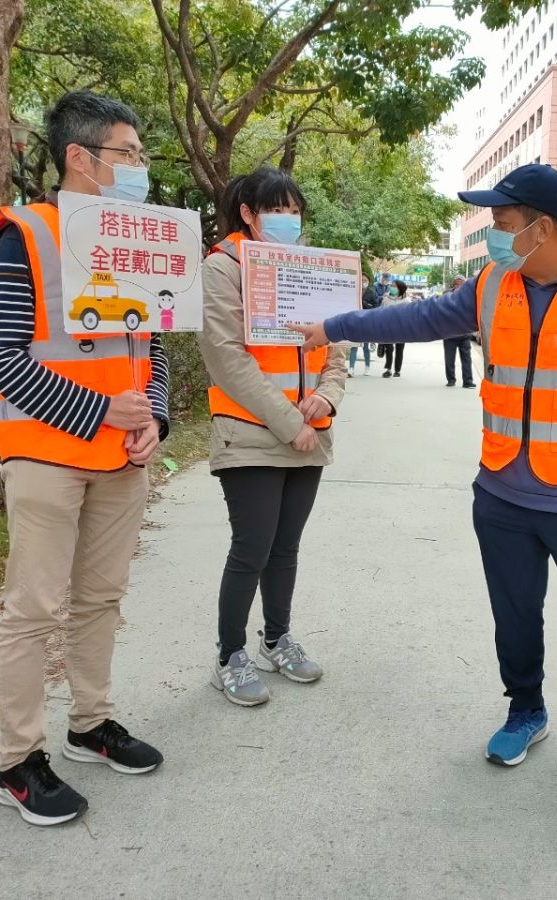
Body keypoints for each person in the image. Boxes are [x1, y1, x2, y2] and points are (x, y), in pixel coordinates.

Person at [290, 163, 557, 771]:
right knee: (514, 616)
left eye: (504, 223)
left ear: (542, 229)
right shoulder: (491, 284)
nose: (495, 235)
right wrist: (334, 327)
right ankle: (526, 710)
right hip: (504, 494)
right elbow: (415, 319)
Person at [0, 91, 169, 827]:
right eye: (129, 154)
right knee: (33, 610)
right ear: (80, 158)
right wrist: (95, 411)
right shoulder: (27, 234)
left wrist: (156, 419)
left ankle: (90, 725)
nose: (140, 167)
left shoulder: (135, 242)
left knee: (100, 599)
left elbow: (150, 347)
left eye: (141, 154)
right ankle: (16, 761)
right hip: (47, 455)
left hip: (123, 458)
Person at [197, 165, 346, 708]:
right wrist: (289, 422)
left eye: (294, 210)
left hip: (310, 432)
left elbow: (336, 346)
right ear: (248, 214)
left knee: (285, 548)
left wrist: (328, 397)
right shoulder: (223, 267)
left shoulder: (311, 267)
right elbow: (225, 357)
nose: (288, 220)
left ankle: (276, 639)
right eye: (276, 210)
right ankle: (229, 656)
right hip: (251, 434)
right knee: (252, 547)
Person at [442, 274, 475, 388]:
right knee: (449, 360)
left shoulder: (470, 296)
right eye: (457, 284)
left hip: (465, 334)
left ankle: (468, 381)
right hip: (449, 335)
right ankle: (451, 380)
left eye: (461, 284)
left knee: (467, 359)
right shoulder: (447, 295)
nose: (459, 286)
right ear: (453, 285)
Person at [347, 281, 379, 376]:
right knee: (354, 346)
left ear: (368, 282)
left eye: (365, 280)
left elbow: (375, 307)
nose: (363, 282)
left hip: (366, 322)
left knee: (365, 347)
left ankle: (367, 368)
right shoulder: (355, 291)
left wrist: (365, 303)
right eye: (362, 280)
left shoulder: (371, 293)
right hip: (355, 321)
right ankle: (351, 369)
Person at [380, 279, 410, 378]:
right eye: (391, 286)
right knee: (389, 348)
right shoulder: (386, 298)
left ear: (400, 288)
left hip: (401, 328)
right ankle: (388, 369)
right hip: (388, 327)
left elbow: (409, 315)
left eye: (394, 286)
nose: (392, 288)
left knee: (399, 349)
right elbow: (381, 311)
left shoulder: (406, 300)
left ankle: (397, 370)